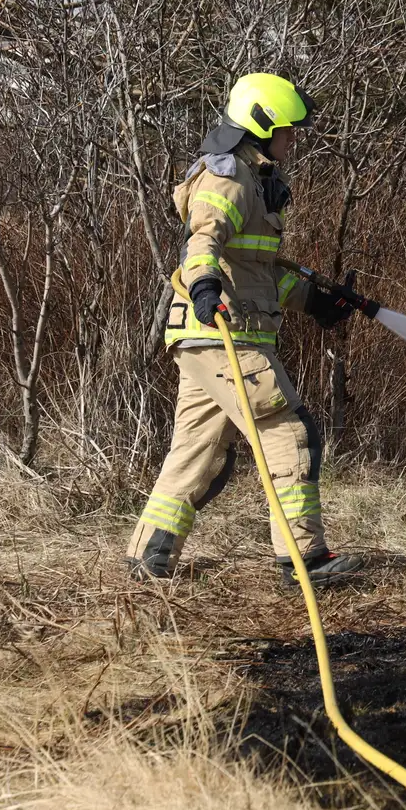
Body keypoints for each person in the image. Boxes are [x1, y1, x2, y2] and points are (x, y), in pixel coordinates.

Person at [126, 73, 376, 587]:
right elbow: (203, 244)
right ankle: (303, 559)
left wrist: (320, 304)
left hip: (211, 333)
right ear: (260, 126)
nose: (294, 138)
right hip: (221, 331)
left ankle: (148, 556)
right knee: (289, 431)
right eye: (288, 128)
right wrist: (203, 287)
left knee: (198, 450)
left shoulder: (254, 182)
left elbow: (257, 276)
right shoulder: (229, 178)